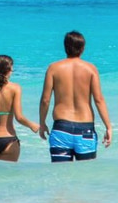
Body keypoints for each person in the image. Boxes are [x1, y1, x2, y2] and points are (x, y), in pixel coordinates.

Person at [39, 31, 112, 162]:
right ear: (83, 48)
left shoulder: (53, 68)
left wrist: (42, 122)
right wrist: (108, 127)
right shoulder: (91, 69)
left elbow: (45, 100)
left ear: (65, 47)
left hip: (61, 129)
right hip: (85, 130)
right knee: (85, 177)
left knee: (61, 176)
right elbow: (98, 100)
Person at [0, 55, 39, 161]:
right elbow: (19, 117)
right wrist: (32, 125)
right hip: (9, 139)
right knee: (10, 177)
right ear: (9, 69)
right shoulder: (15, 88)